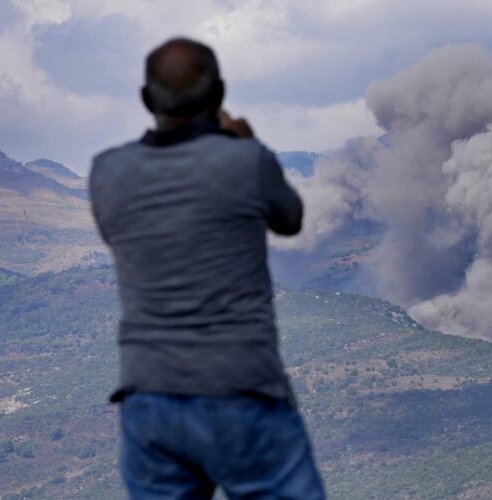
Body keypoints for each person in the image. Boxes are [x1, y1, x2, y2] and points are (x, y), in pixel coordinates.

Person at [88, 38, 325, 499]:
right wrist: (244, 140)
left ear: (145, 100)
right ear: (219, 96)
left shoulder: (107, 172)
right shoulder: (246, 161)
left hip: (149, 398)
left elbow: (121, 235)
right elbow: (290, 218)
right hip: (241, 391)